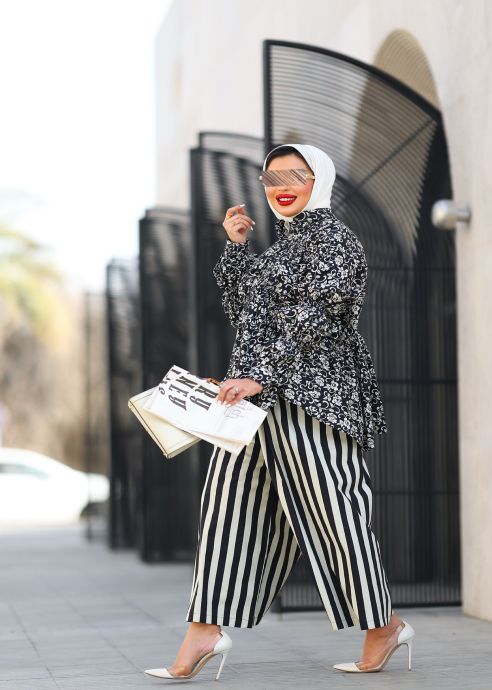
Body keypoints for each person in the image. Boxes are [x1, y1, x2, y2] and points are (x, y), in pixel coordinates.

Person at [144, 144, 415, 681]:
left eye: (296, 175)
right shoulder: (280, 249)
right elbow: (247, 314)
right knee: (226, 510)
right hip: (255, 404)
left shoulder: (336, 240)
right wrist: (236, 247)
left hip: (315, 398)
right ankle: (203, 631)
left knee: (334, 512)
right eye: (272, 178)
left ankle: (382, 625)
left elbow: (320, 318)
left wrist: (261, 375)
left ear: (321, 180)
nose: (281, 186)